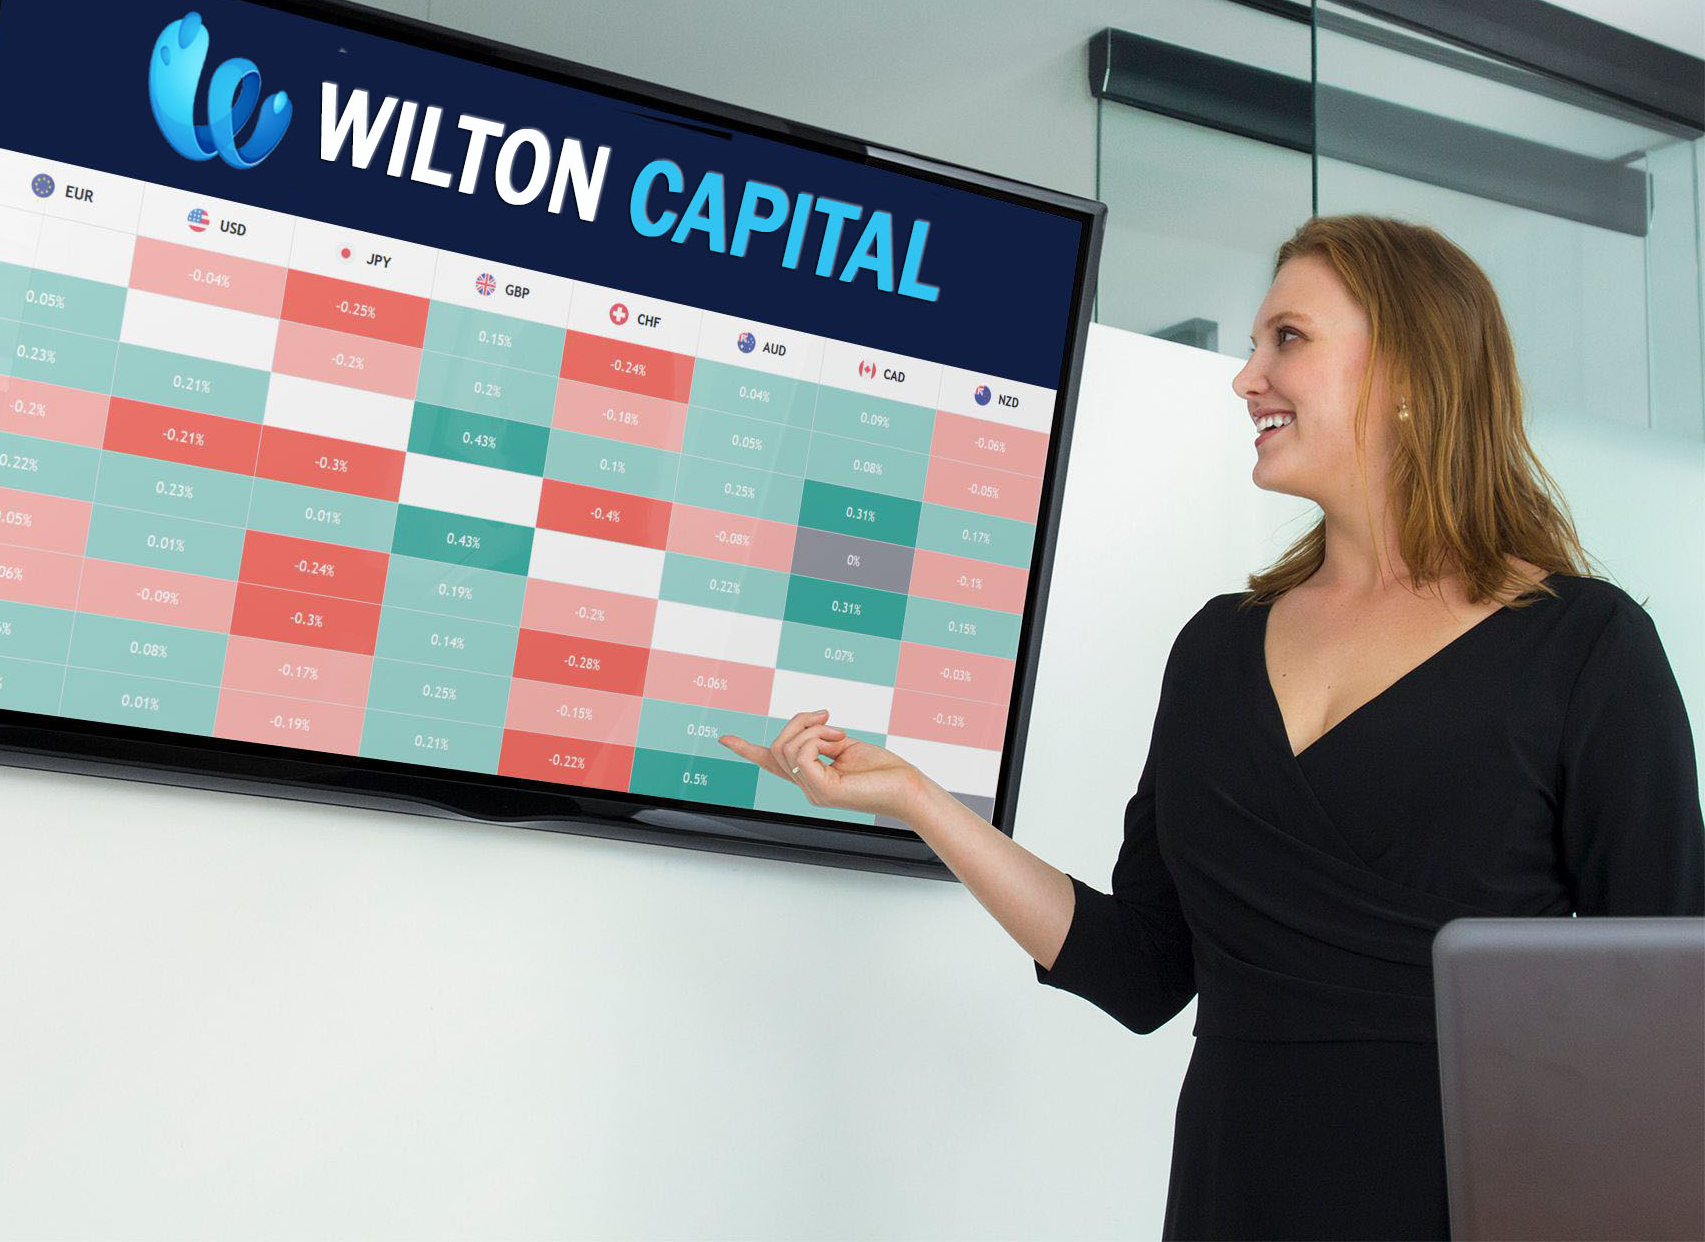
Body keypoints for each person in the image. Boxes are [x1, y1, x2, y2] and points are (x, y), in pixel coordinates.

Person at [720, 214, 1705, 1241]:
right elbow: (1144, 969)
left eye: (1289, 339)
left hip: (1478, 1204)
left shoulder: (1585, 647)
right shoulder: (1214, 652)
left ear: (1411, 374)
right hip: (1234, 1203)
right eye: (1253, 344)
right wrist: (921, 802)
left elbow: (1668, 1013)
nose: (1246, 378)